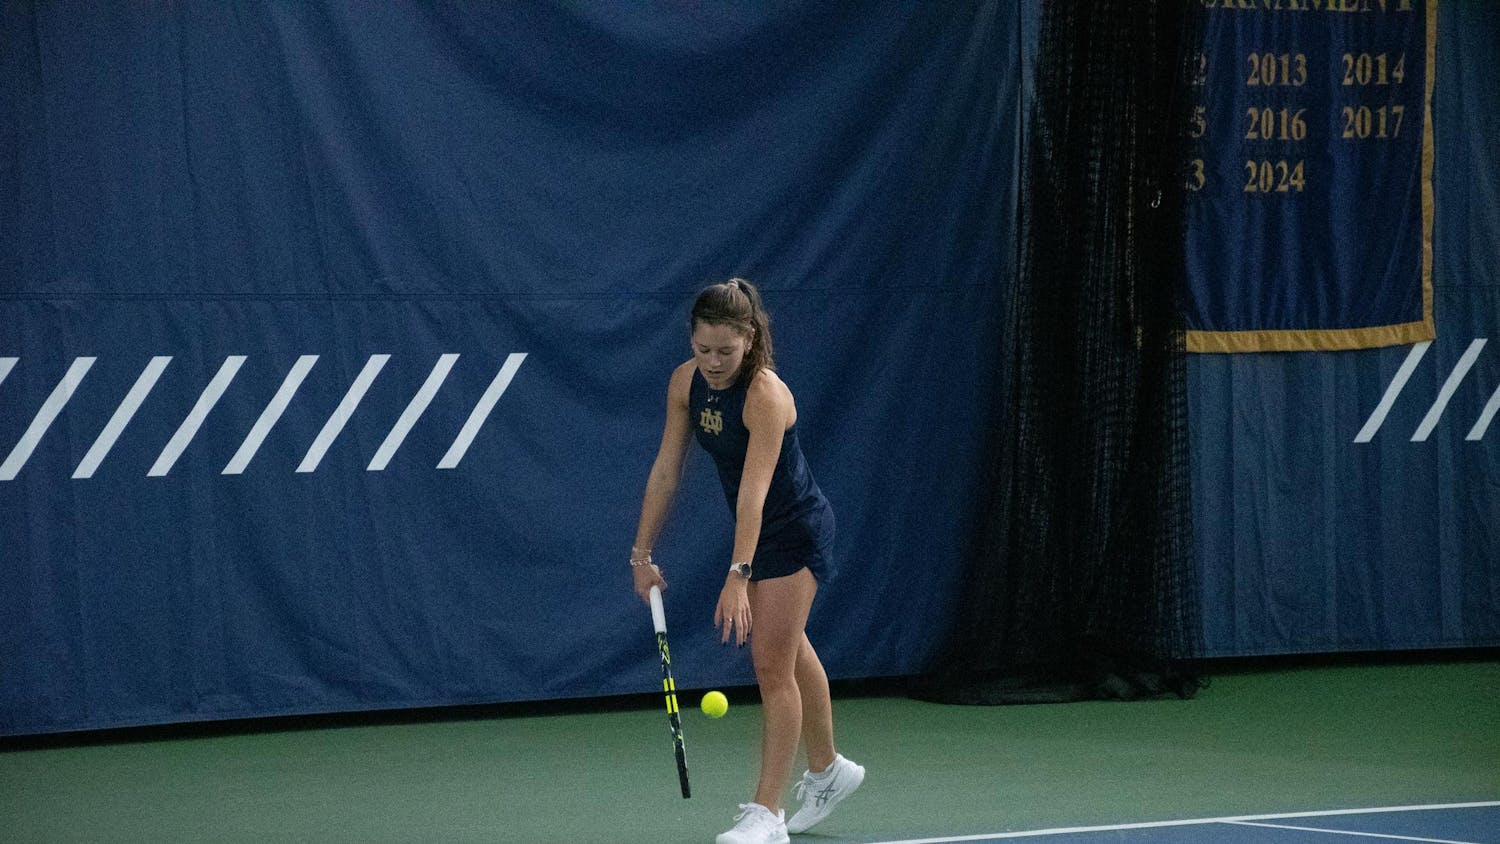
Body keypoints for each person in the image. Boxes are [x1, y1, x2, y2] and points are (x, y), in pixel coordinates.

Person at [630, 278, 864, 844]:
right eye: (702, 349)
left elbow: (756, 493)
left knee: (769, 664)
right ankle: (829, 771)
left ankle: (768, 815)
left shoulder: (766, 396)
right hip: (759, 534)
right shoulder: (685, 383)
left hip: (793, 531)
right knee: (789, 647)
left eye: (725, 351)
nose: (712, 362)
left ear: (750, 338)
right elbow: (667, 468)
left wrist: (739, 575)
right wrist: (641, 552)